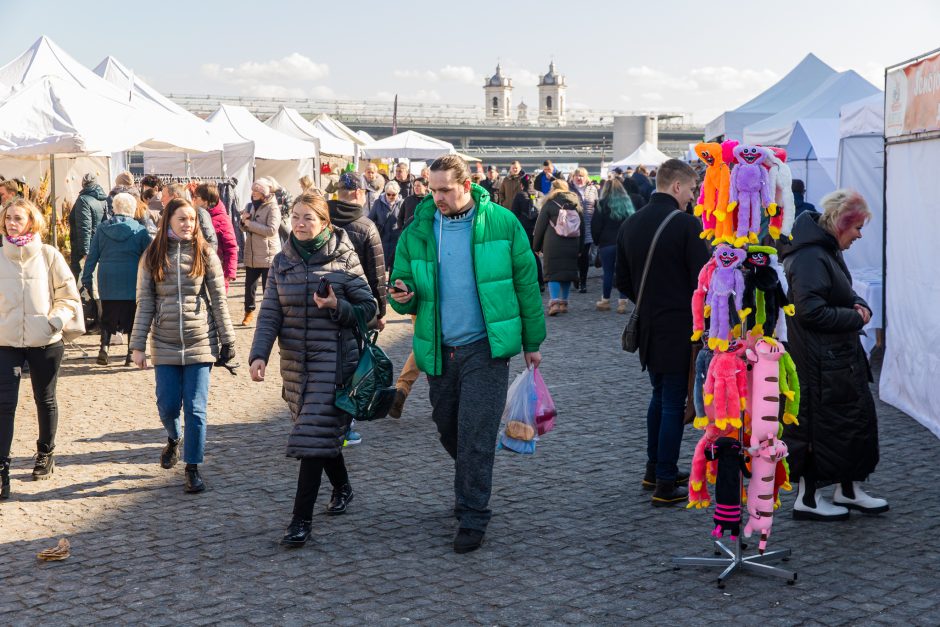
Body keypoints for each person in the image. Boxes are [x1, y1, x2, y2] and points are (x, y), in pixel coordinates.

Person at [388, 155, 545, 554]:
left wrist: (532, 342)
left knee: (476, 432)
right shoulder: (418, 230)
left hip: (486, 348)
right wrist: (402, 294)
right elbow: (401, 284)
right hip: (439, 348)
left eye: (444, 189)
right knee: (447, 426)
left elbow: (527, 284)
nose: (436, 196)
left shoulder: (503, 224)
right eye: (432, 188)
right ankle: (470, 480)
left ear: (466, 184)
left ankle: (474, 512)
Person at [248, 193, 377, 547]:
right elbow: (271, 312)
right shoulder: (281, 262)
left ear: (325, 223)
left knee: (310, 437)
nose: (301, 223)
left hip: (335, 362)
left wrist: (338, 306)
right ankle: (343, 486)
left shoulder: (343, 257)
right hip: (296, 366)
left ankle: (299, 520)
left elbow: (369, 307)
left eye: (309, 218)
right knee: (319, 434)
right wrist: (259, 354)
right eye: (297, 216)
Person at [780, 190, 885, 521]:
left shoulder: (824, 251)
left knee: (848, 424)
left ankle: (848, 489)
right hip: (818, 363)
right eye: (857, 228)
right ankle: (808, 499)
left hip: (835, 360)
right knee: (819, 429)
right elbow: (810, 311)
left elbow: (843, 291)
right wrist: (855, 317)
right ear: (843, 224)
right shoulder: (811, 256)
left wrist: (860, 304)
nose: (859, 235)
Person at [615, 159, 710, 506]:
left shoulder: (631, 223)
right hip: (679, 325)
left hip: (650, 327)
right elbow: (703, 281)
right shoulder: (686, 225)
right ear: (675, 187)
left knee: (659, 396)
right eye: (691, 189)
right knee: (672, 402)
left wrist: (649, 298)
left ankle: (654, 468)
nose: (693, 196)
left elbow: (621, 280)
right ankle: (666, 482)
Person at [130, 198, 236, 494]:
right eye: (182, 219)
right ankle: (174, 438)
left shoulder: (205, 253)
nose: (189, 224)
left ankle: (192, 467)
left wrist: (228, 341)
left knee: (196, 408)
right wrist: (137, 345)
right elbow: (145, 302)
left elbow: (218, 301)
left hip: (200, 340)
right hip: (164, 342)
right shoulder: (152, 255)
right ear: (168, 221)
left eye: (192, 219)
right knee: (167, 404)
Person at [0, 199, 82, 496]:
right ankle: (1, 469)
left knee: (44, 399)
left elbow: (69, 296)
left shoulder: (49, 256)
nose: (11, 222)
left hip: (45, 340)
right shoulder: (0, 257)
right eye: (7, 217)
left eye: (17, 218)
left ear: (31, 221)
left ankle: (45, 452)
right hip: (6, 343)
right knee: (4, 405)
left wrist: (55, 321)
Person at [81, 193, 152, 367]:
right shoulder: (140, 230)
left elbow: (92, 256)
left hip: (108, 279)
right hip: (132, 278)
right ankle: (129, 353)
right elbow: (150, 256)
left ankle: (104, 349)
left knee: (107, 313)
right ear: (133, 209)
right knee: (132, 316)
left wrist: (87, 279)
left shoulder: (102, 228)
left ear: (114, 208)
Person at [327, 172, 387, 330]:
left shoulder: (319, 221)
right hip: (358, 307)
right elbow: (377, 275)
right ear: (358, 192)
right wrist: (380, 313)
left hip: (323, 300)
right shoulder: (367, 227)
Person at [533, 179, 584, 316]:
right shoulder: (575, 203)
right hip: (573, 242)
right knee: (567, 274)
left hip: (553, 243)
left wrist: (536, 246)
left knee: (553, 273)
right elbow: (582, 226)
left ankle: (554, 302)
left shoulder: (549, 203)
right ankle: (564, 303)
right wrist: (580, 248)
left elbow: (540, 227)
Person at [239, 180, 282, 326]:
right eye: (252, 192)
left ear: (264, 194)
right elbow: (245, 228)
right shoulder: (249, 206)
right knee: (249, 286)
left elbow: (271, 230)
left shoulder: (273, 208)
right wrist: (243, 222)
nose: (253, 195)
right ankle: (248, 312)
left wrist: (250, 224)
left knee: (268, 288)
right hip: (251, 252)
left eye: (256, 192)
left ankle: (269, 316)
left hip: (268, 253)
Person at [592, 178, 635, 313]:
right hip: (624, 243)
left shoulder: (601, 204)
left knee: (608, 273)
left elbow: (595, 226)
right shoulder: (627, 203)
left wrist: (597, 241)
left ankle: (605, 301)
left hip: (607, 243)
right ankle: (622, 302)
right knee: (623, 272)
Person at [193, 183, 238, 292]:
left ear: (205, 201)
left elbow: (231, 247)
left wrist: (229, 272)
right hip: (199, 268)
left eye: (196, 197)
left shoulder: (222, 218)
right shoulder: (195, 215)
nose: (193, 200)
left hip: (218, 271)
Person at [68, 173, 108, 280]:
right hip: (97, 244)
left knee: (82, 278)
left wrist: (85, 251)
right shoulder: (103, 199)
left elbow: (84, 227)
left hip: (82, 247)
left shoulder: (83, 200)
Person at [509, 176, 544, 291]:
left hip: (524, 230)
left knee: (527, 255)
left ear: (522, 184)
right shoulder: (541, 195)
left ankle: (530, 281)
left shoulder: (520, 196)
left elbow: (514, 214)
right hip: (539, 230)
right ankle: (541, 282)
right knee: (536, 255)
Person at [161, 182, 218, 247]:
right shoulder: (167, 214)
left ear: (175, 196)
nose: (161, 199)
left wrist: (201, 256)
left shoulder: (199, 212)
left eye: (164, 196)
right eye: (182, 219)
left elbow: (211, 241)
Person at [570, 167, 598, 293]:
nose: (579, 178)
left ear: (586, 177)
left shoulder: (592, 189)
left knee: (585, 256)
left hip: (588, 227)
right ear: (573, 177)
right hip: (573, 227)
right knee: (574, 256)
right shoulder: (569, 189)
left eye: (582, 176)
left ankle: (583, 282)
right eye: (577, 176)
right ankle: (575, 277)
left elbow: (597, 207)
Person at [368, 180, 403, 272]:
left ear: (397, 193)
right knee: (380, 265)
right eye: (388, 194)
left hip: (397, 239)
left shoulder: (402, 203)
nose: (391, 196)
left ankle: (392, 284)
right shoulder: (378, 203)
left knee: (395, 265)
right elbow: (370, 220)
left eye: (393, 194)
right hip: (381, 238)